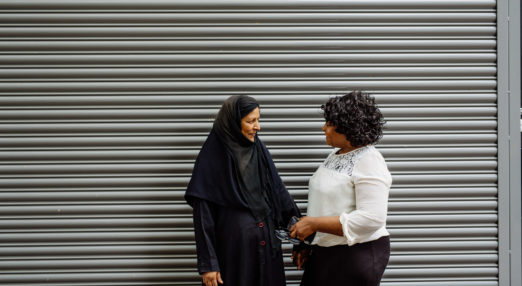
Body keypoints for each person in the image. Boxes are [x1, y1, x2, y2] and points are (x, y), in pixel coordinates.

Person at [185, 95, 302, 286]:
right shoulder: (212, 157)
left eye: (258, 120)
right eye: (251, 121)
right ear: (232, 122)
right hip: (233, 253)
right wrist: (209, 264)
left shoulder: (258, 150)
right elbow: (203, 215)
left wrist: (301, 239)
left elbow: (279, 193)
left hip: (267, 250)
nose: (258, 127)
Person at [290, 90, 392, 286]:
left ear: (348, 128)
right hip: (327, 254)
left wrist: (314, 224)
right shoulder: (337, 155)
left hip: (354, 257)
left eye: (329, 124)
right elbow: (327, 205)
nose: (323, 129)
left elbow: (372, 218)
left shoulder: (369, 160)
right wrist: (308, 243)